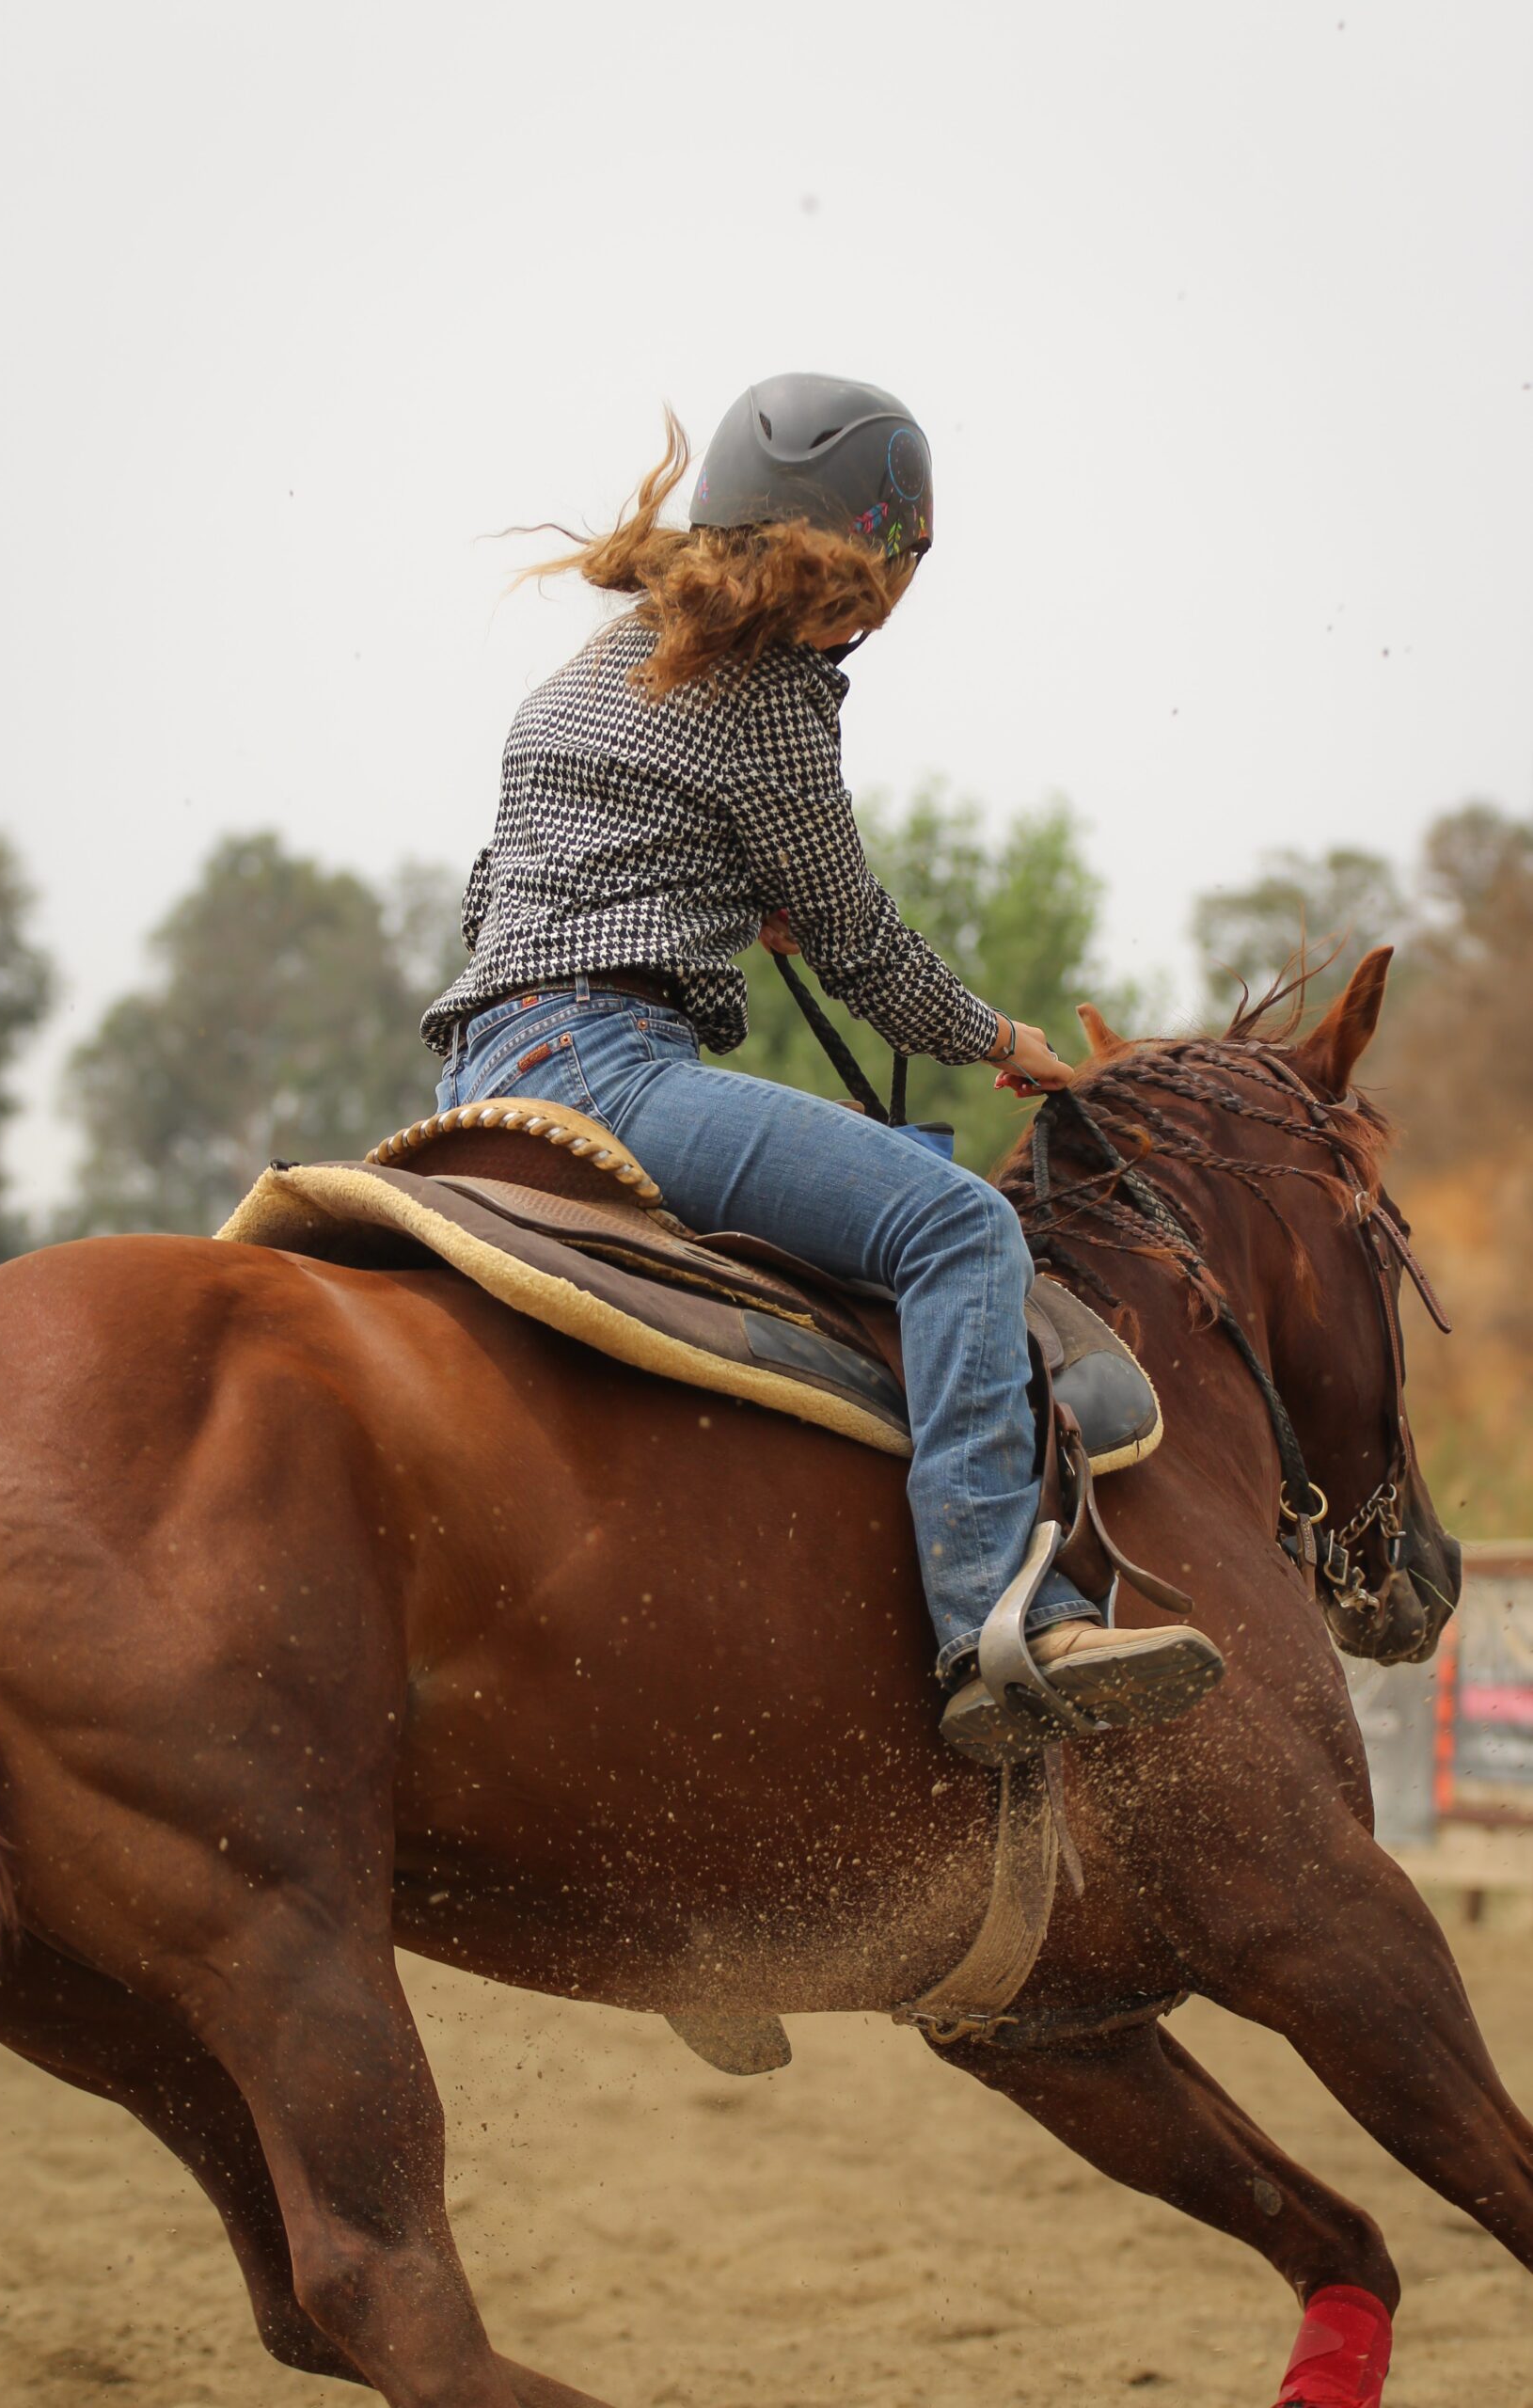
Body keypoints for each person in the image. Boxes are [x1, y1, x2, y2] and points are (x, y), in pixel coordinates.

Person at [422, 373, 1224, 1760]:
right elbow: (860, 945)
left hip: (478, 1077)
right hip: (606, 1069)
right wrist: (1001, 1041)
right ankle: (997, 1624)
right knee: (958, 1224)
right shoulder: (775, 692)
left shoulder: (595, 665)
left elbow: (508, 883)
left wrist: (717, 896)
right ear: (881, 555)